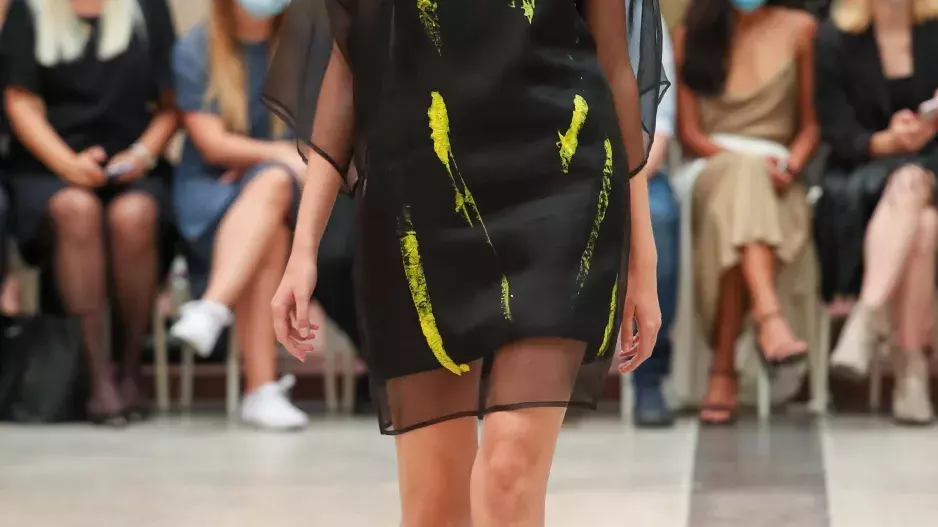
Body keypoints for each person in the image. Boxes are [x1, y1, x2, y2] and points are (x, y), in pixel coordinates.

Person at [266, 0, 665, 524]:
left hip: (561, 183)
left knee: (509, 471)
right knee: (434, 507)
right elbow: (347, 67)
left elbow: (616, 66)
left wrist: (643, 252)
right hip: (418, 201)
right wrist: (303, 250)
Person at [1, 0, 177, 426]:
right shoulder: (28, 9)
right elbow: (19, 101)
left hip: (132, 164)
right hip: (48, 167)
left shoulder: (149, 8)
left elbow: (172, 104)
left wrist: (142, 154)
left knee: (134, 216)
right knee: (76, 210)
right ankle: (99, 380)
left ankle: (131, 368)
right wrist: (68, 165)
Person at [675, 0, 819, 425]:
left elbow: (811, 125)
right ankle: (769, 319)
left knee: (742, 214)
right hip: (711, 167)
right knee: (742, 180)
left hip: (779, 178)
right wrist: (746, 163)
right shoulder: (691, 33)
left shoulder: (802, 29)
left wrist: (791, 165)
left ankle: (723, 371)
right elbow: (690, 134)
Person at [168, 0, 309, 430]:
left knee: (272, 191)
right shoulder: (196, 48)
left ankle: (212, 307)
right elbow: (212, 144)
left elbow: (323, 134)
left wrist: (259, 163)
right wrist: (277, 155)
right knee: (272, 217)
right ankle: (260, 390)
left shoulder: (305, 49)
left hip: (276, 194)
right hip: (211, 193)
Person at [815, 0, 938, 425]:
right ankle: (910, 373)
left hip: (931, 166)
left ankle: (865, 320)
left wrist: (926, 128)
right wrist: (888, 141)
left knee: (913, 183)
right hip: (860, 176)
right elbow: (835, 129)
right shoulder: (834, 38)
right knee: (925, 227)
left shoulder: (934, 30)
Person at [632, 10, 679, 428]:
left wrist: (623, 181)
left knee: (660, 219)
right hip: (561, 170)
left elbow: (658, 129)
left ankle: (649, 377)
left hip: (639, 169)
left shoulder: (642, 15)